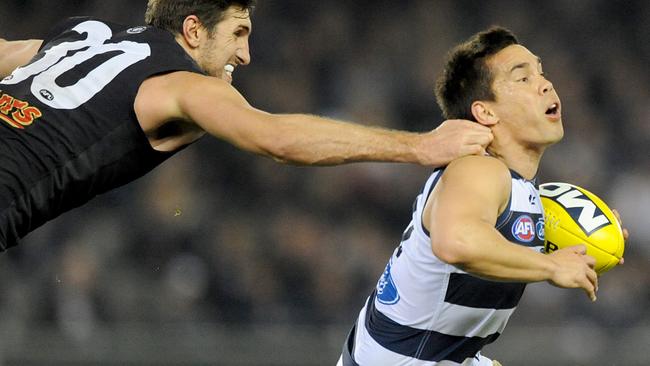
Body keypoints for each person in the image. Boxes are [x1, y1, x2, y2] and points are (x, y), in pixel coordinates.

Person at [0, 0, 493, 250]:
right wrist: (420, 147)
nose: (246, 54)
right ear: (193, 29)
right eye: (238, 33)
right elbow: (276, 137)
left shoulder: (82, 36)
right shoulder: (179, 81)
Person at [337, 27, 627, 366]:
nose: (545, 84)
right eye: (522, 78)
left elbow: (495, 237)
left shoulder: (514, 186)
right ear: (486, 112)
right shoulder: (479, 169)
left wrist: (581, 244)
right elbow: (456, 242)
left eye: (541, 72)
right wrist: (550, 265)